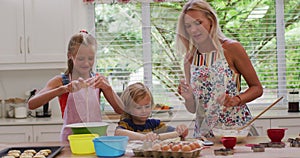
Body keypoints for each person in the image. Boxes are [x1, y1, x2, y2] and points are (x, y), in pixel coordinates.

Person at [176, 0, 263, 137]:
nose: (193, 30)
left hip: (236, 131)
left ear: (211, 20)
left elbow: (257, 88)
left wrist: (237, 99)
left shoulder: (231, 49)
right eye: (188, 26)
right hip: (204, 136)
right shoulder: (189, 59)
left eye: (198, 23)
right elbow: (193, 109)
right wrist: (188, 98)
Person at [28, 30, 124, 142]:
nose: (86, 63)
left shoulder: (99, 80)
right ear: (70, 56)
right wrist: (63, 89)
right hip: (71, 141)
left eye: (91, 58)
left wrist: (108, 88)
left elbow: (120, 110)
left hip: (97, 139)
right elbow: (32, 104)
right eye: (80, 59)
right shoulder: (61, 81)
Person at [114, 82, 188, 141]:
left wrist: (181, 130)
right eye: (138, 107)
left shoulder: (156, 124)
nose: (144, 111)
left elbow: (174, 132)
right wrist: (143, 137)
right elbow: (118, 133)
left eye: (147, 106)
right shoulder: (126, 124)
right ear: (128, 109)